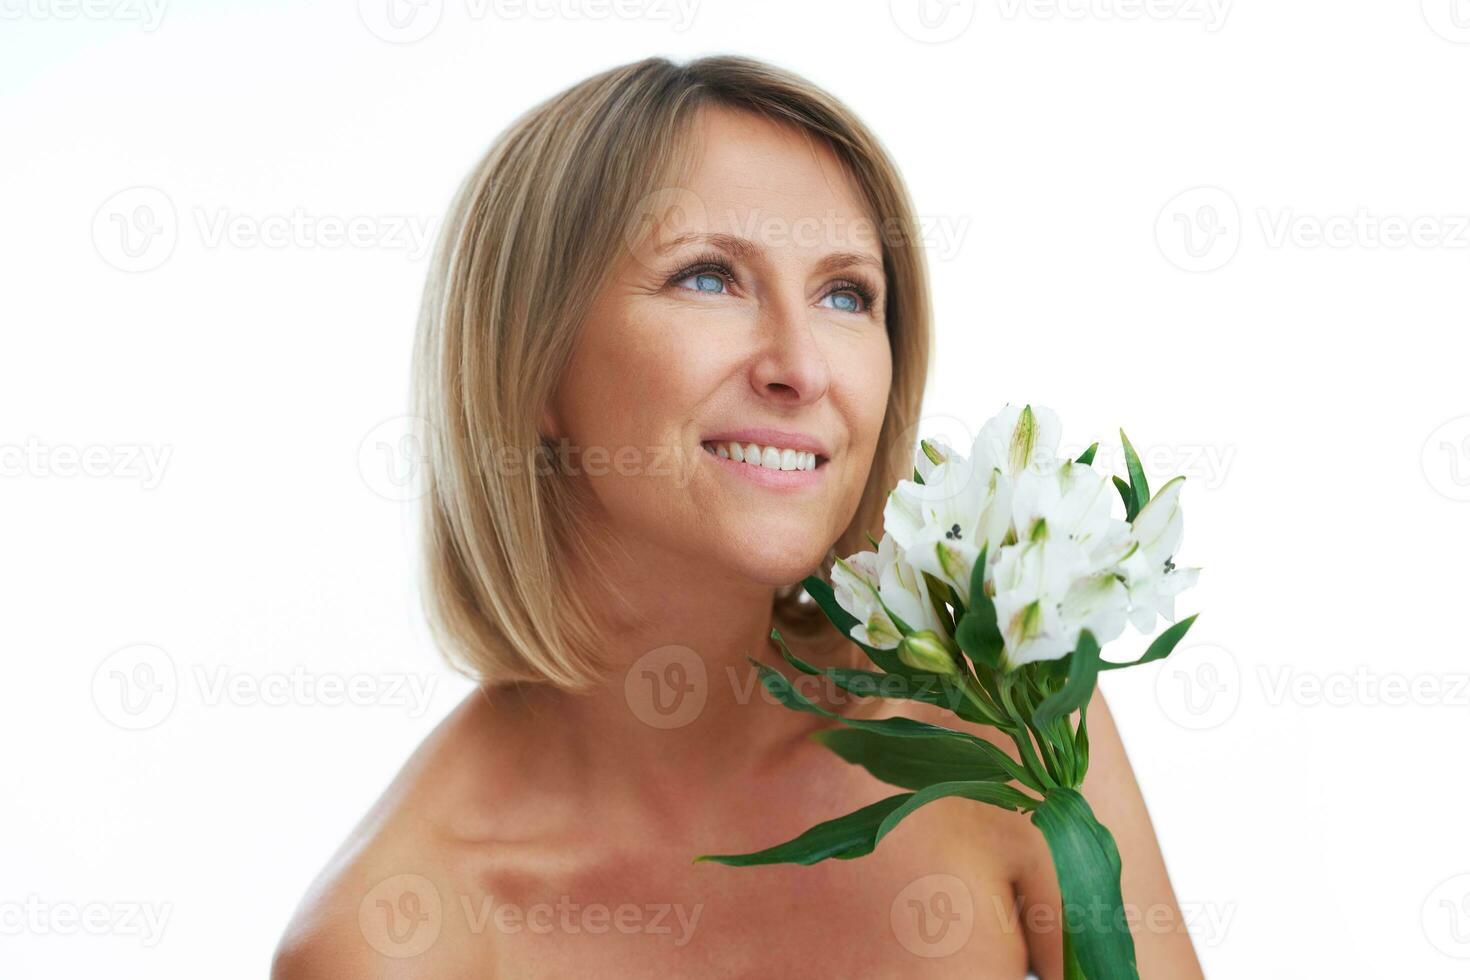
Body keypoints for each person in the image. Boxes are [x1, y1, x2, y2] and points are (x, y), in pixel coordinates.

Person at [272, 54, 1203, 978]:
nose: (801, 365)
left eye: (846, 294)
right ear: (532, 366)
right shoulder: (396, 939)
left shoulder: (1000, 720)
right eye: (709, 278)